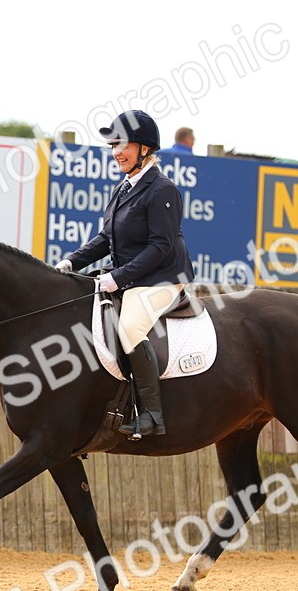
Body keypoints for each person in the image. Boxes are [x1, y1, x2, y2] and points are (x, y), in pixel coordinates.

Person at [55, 110, 194, 438]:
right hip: (134, 276)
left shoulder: (162, 190)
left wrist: (118, 277)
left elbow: (160, 247)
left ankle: (151, 415)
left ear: (144, 148)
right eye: (113, 145)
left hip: (163, 277)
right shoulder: (124, 189)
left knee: (130, 327)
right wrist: (71, 263)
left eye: (123, 144)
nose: (116, 151)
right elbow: (107, 239)